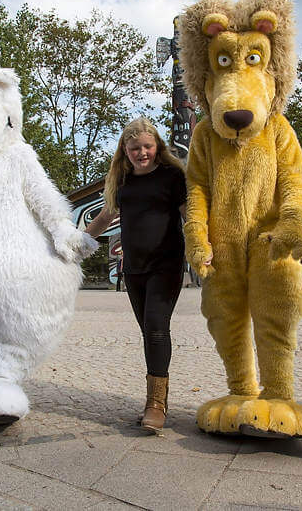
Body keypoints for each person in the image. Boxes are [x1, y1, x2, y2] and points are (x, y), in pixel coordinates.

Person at [86, 117, 186, 434]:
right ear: (125, 151)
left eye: (147, 146)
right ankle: (159, 397)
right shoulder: (123, 180)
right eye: (134, 148)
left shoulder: (172, 176)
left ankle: (155, 406)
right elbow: (105, 217)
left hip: (166, 264)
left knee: (157, 328)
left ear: (157, 146)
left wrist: (207, 246)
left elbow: (190, 216)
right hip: (134, 268)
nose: (141, 153)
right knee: (148, 332)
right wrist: (76, 244)